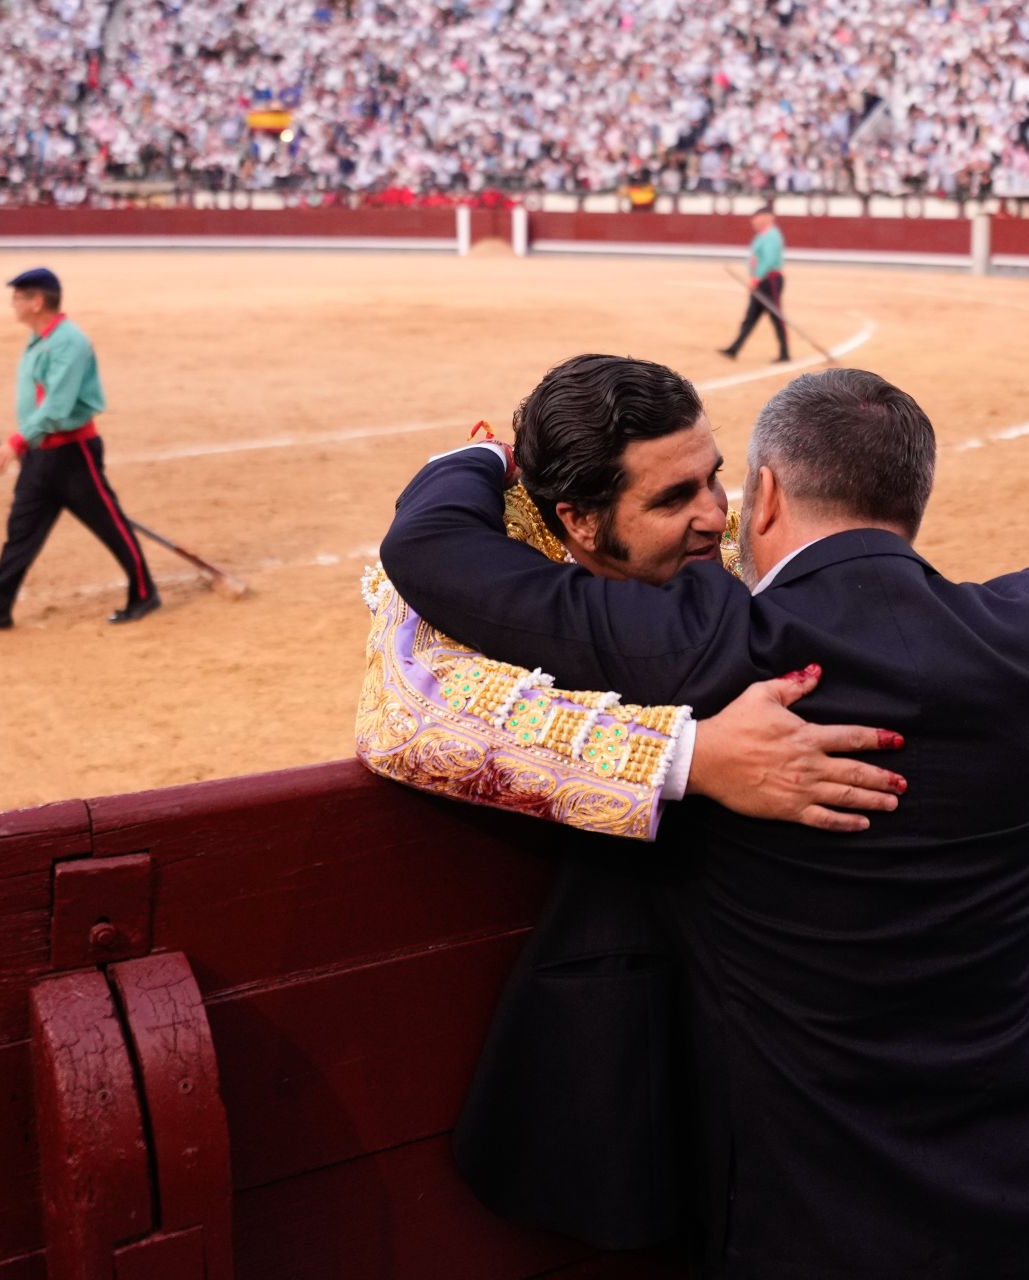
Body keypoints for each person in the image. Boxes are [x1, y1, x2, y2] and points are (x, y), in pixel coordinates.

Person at [380, 366, 1029, 1279]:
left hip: (818, 1223)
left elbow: (428, 548)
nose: (716, 514)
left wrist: (484, 456)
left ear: (767, 493)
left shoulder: (711, 650)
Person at [358, 357, 909, 1249]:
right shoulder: (475, 576)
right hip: (641, 1034)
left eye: (715, 477)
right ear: (577, 519)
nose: (718, 514)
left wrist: (469, 461)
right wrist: (688, 757)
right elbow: (409, 713)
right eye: (674, 497)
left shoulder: (708, 570)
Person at [0, 268, 160, 629]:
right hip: (40, 454)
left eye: (18, 297)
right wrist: (27, 443)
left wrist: (17, 441)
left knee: (110, 525)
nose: (12, 303)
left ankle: (144, 593)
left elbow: (58, 406)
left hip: (72, 455)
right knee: (21, 530)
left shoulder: (69, 342)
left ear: (37, 302)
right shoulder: (40, 338)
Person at [718, 207, 791, 364]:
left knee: (776, 317)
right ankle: (734, 348)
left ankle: (785, 353)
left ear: (766, 218)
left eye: (757, 218)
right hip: (762, 280)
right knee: (751, 316)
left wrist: (756, 278)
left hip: (770, 280)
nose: (754, 221)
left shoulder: (772, 235)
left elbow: (769, 260)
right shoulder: (763, 235)